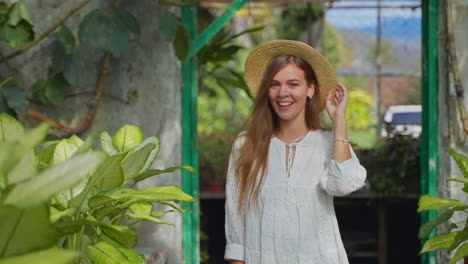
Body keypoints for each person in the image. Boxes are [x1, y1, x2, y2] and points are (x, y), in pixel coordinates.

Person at [224, 40, 367, 264]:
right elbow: (235, 217)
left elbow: (342, 185)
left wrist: (339, 121)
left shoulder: (328, 142)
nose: (283, 93)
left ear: (310, 89)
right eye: (274, 84)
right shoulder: (246, 145)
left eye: (293, 84)